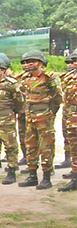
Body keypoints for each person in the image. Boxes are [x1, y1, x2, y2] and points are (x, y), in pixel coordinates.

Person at [17, 50, 62, 189]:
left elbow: (57, 98)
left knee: (46, 148)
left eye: (32, 61)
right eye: (26, 62)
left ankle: (47, 178)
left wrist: (49, 113)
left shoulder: (50, 79)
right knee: (31, 147)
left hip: (44, 119)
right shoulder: (25, 79)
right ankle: (32, 176)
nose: (28, 64)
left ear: (40, 63)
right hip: (30, 119)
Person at [58, 49, 77, 192]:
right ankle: (75, 176)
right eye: (73, 61)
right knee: (74, 146)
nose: (74, 64)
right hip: (71, 116)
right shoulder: (68, 78)